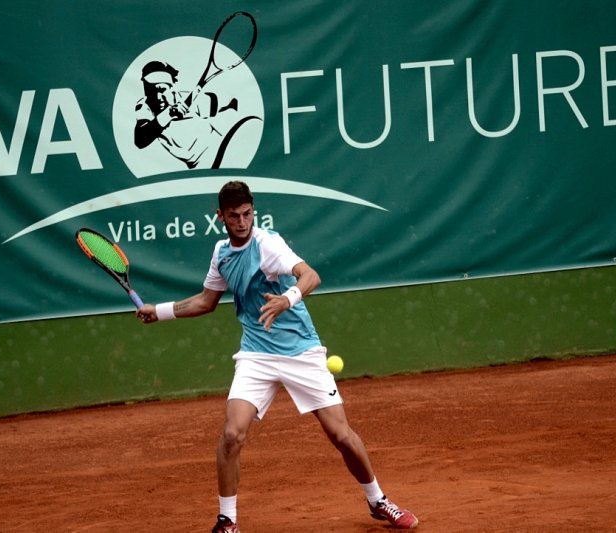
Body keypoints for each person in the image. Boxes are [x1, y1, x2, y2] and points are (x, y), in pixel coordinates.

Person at [136, 181, 419, 531]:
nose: (242, 222)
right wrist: (160, 311)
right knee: (232, 435)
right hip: (256, 355)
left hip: (301, 351)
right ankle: (227, 521)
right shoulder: (221, 253)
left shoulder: (267, 244)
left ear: (253, 211)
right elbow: (206, 301)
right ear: (220, 216)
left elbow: (310, 276)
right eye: (234, 216)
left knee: (341, 435)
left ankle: (378, 501)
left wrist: (287, 299)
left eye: (247, 214)